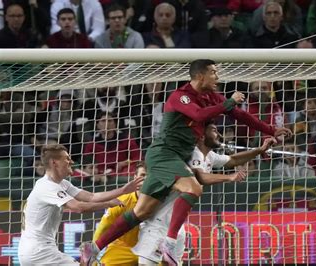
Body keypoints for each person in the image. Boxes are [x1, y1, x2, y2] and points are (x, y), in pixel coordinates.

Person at [80, 59, 292, 265]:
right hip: (164, 154)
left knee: (142, 211)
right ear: (200, 75)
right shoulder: (179, 96)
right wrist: (229, 101)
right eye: (214, 73)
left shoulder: (211, 97)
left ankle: (95, 247)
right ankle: (169, 244)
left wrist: (271, 129)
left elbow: (240, 115)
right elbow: (197, 115)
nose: (218, 77)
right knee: (193, 188)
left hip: (175, 158)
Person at [134, 122, 276, 265]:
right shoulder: (192, 153)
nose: (219, 135)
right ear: (202, 136)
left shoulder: (209, 156)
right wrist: (229, 177)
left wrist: (260, 150)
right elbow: (199, 177)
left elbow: (233, 160)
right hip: (157, 223)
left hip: (176, 227)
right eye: (214, 131)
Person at [17, 144, 143, 266]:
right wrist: (108, 204)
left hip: (34, 251)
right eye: (66, 158)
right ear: (54, 163)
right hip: (39, 253)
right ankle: (87, 258)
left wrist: (123, 190)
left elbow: (91, 197)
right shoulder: (48, 186)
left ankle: (87, 258)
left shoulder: (62, 184)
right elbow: (79, 207)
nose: (71, 161)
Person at [92, 161, 147, 266]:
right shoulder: (121, 201)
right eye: (143, 175)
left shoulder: (161, 203)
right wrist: (93, 254)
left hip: (150, 248)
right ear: (135, 177)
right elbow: (102, 229)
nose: (146, 179)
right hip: (122, 249)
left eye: (149, 176)